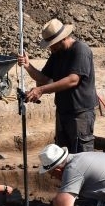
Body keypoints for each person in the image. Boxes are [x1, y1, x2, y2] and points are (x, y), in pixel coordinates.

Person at [17, 18, 98, 153]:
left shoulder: (80, 50)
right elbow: (44, 79)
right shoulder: (56, 54)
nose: (50, 47)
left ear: (63, 38)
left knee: (81, 154)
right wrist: (28, 66)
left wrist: (41, 90)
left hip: (80, 113)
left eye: (52, 44)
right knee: (62, 153)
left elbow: (73, 80)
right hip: (63, 111)